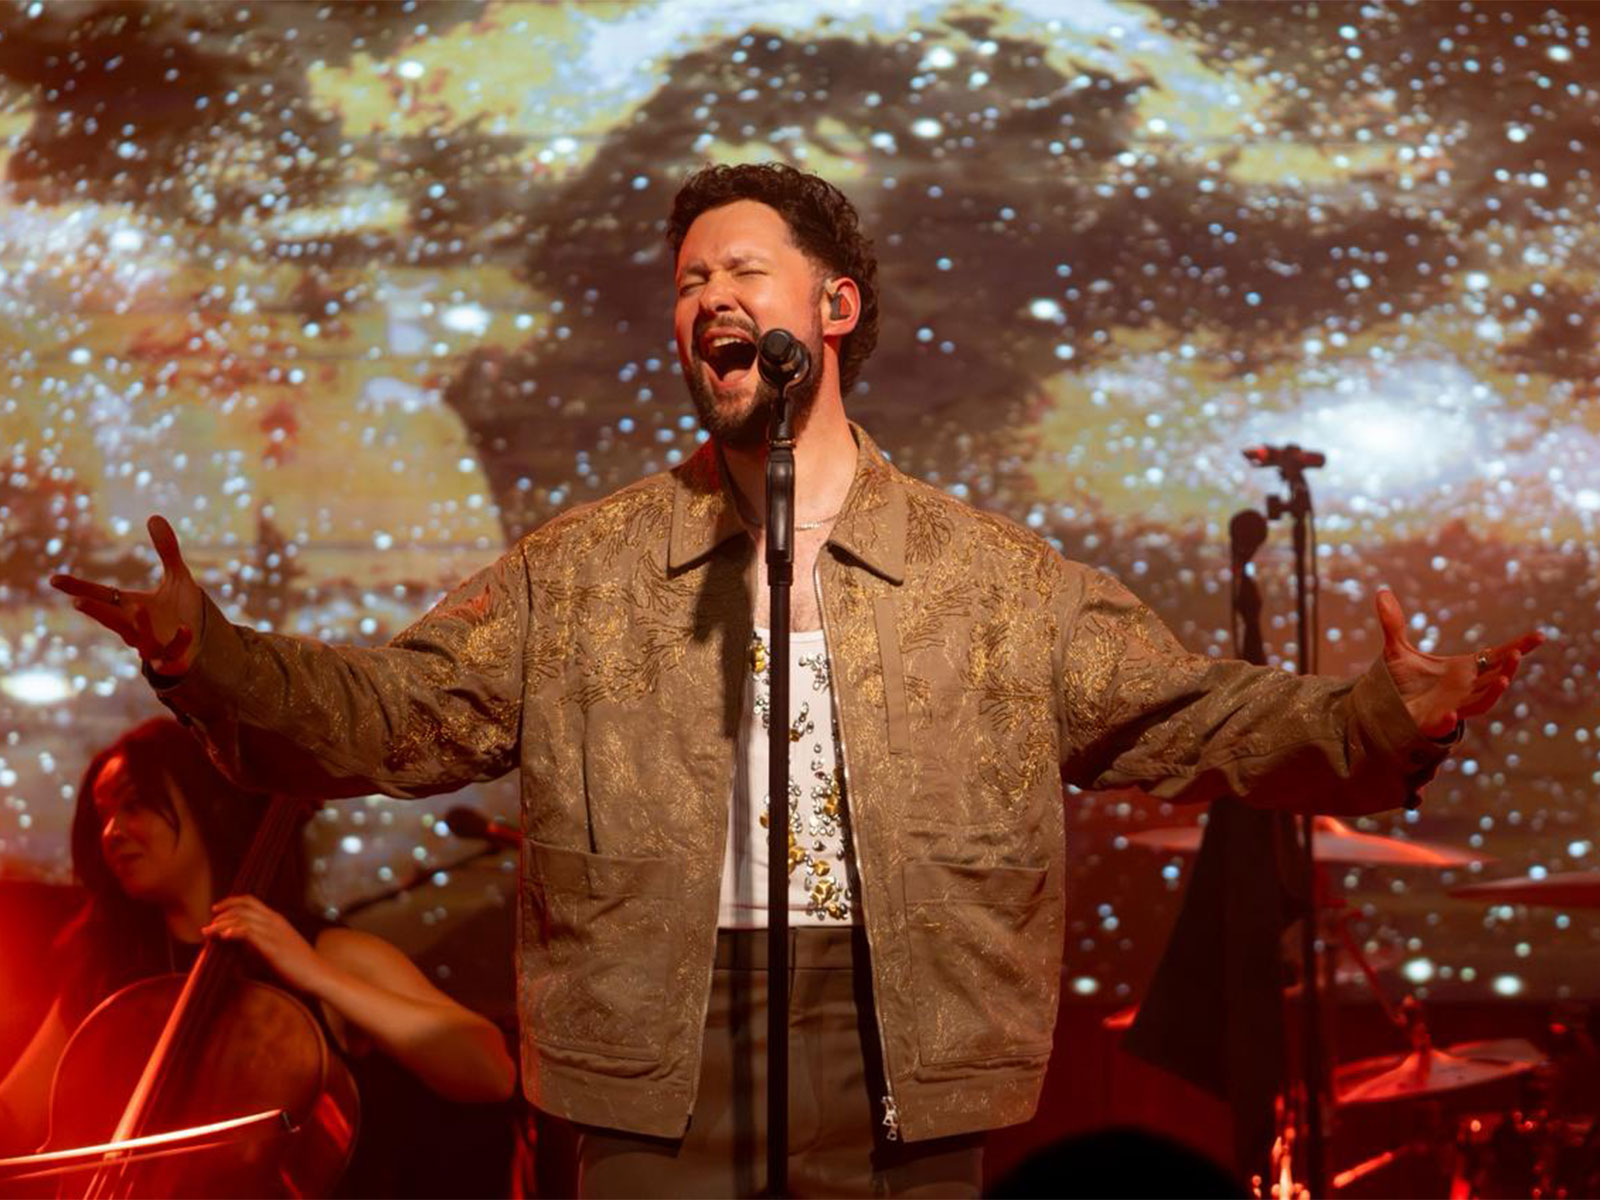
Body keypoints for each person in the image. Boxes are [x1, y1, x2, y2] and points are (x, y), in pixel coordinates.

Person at [51, 163, 1542, 1197]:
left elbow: (1192, 718)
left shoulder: (986, 579)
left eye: (740, 268)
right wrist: (209, 652)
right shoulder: (582, 569)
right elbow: (392, 712)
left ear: (831, 308)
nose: (705, 296)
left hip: (898, 1033)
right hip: (650, 1040)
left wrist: (1380, 714)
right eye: (686, 278)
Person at [0, 717, 516, 1178]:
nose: (111, 832)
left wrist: (314, 974)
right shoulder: (107, 971)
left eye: (134, 805)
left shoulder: (326, 952)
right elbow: (16, 1118)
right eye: (104, 813)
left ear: (208, 805)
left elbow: (489, 1072)